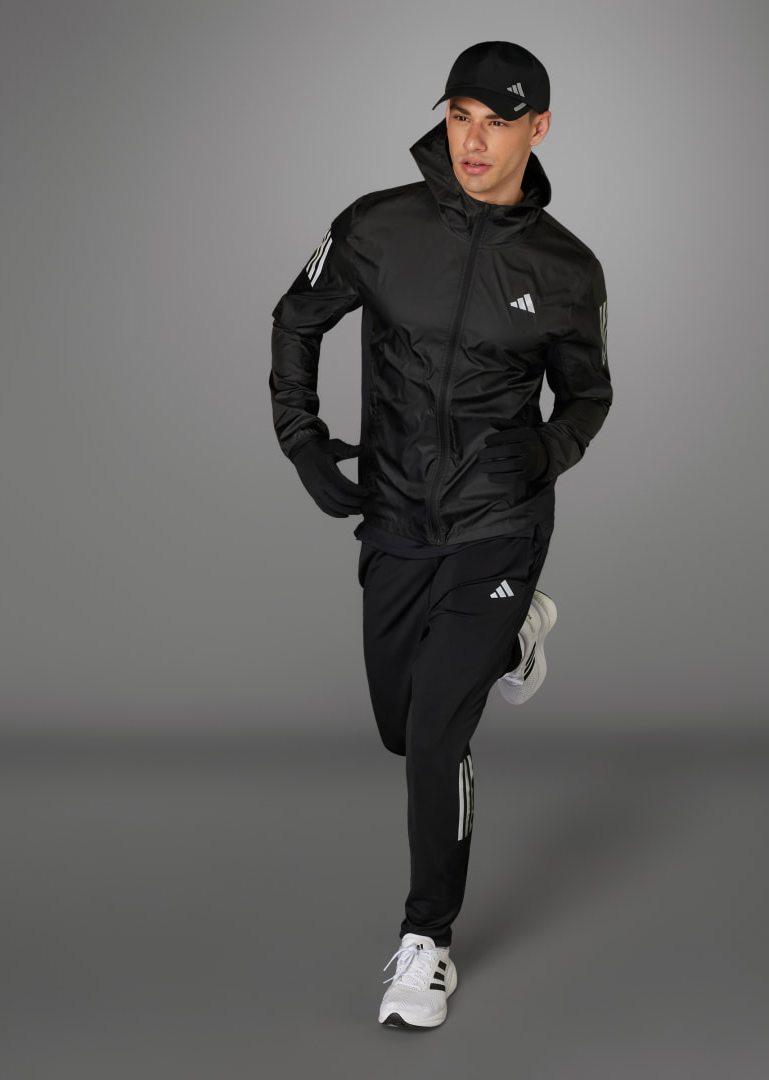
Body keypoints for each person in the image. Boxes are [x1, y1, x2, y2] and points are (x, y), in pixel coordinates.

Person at [270, 40, 613, 1029]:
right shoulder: (376, 226)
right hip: (396, 518)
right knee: (398, 721)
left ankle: (427, 943)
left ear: (538, 129)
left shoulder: (566, 269)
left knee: (435, 734)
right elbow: (296, 319)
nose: (474, 141)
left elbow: (588, 396)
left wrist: (544, 453)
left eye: (497, 122)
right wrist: (302, 439)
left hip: (499, 524)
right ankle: (515, 637)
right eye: (460, 115)